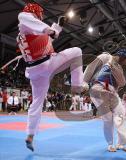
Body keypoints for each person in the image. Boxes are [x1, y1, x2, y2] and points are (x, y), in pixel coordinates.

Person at [17, 3, 86, 151]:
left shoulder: (33, 31)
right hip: (46, 65)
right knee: (77, 51)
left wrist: (57, 26)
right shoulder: (24, 21)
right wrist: (49, 29)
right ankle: (78, 86)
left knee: (36, 103)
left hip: (36, 71)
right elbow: (28, 19)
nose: (40, 17)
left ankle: (30, 135)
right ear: (35, 12)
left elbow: (48, 38)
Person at [83, 49, 126, 152]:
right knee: (108, 118)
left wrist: (116, 72)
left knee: (121, 114)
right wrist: (84, 81)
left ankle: (121, 144)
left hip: (112, 92)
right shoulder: (105, 57)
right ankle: (110, 144)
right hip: (98, 88)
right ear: (124, 56)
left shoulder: (119, 68)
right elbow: (90, 67)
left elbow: (122, 83)